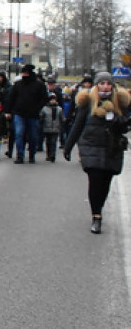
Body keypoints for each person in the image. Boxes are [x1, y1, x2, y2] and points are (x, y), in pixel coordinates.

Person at [63, 72, 130, 234]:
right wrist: (68, 146)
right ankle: (96, 216)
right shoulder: (88, 101)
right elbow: (78, 124)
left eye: (108, 83)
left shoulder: (120, 103)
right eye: (102, 83)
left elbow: (125, 126)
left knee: (105, 183)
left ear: (112, 86)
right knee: (95, 180)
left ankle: (99, 207)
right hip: (91, 146)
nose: (105, 86)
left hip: (111, 148)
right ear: (96, 85)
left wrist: (115, 118)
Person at [5, 64, 48, 164]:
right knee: (19, 133)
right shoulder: (18, 84)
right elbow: (11, 98)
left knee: (33, 136)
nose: (23, 75)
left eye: (25, 73)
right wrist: (8, 111)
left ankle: (31, 154)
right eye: (22, 73)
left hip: (33, 114)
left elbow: (44, 99)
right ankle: (20, 155)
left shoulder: (39, 85)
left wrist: (37, 109)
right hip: (19, 113)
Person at [40, 94, 63, 162]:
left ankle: (52, 155)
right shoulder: (44, 109)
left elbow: (62, 118)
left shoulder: (59, 109)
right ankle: (48, 155)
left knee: (53, 142)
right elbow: (41, 117)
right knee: (48, 142)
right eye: (52, 100)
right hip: (47, 128)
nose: (53, 101)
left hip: (56, 128)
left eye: (54, 100)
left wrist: (62, 124)